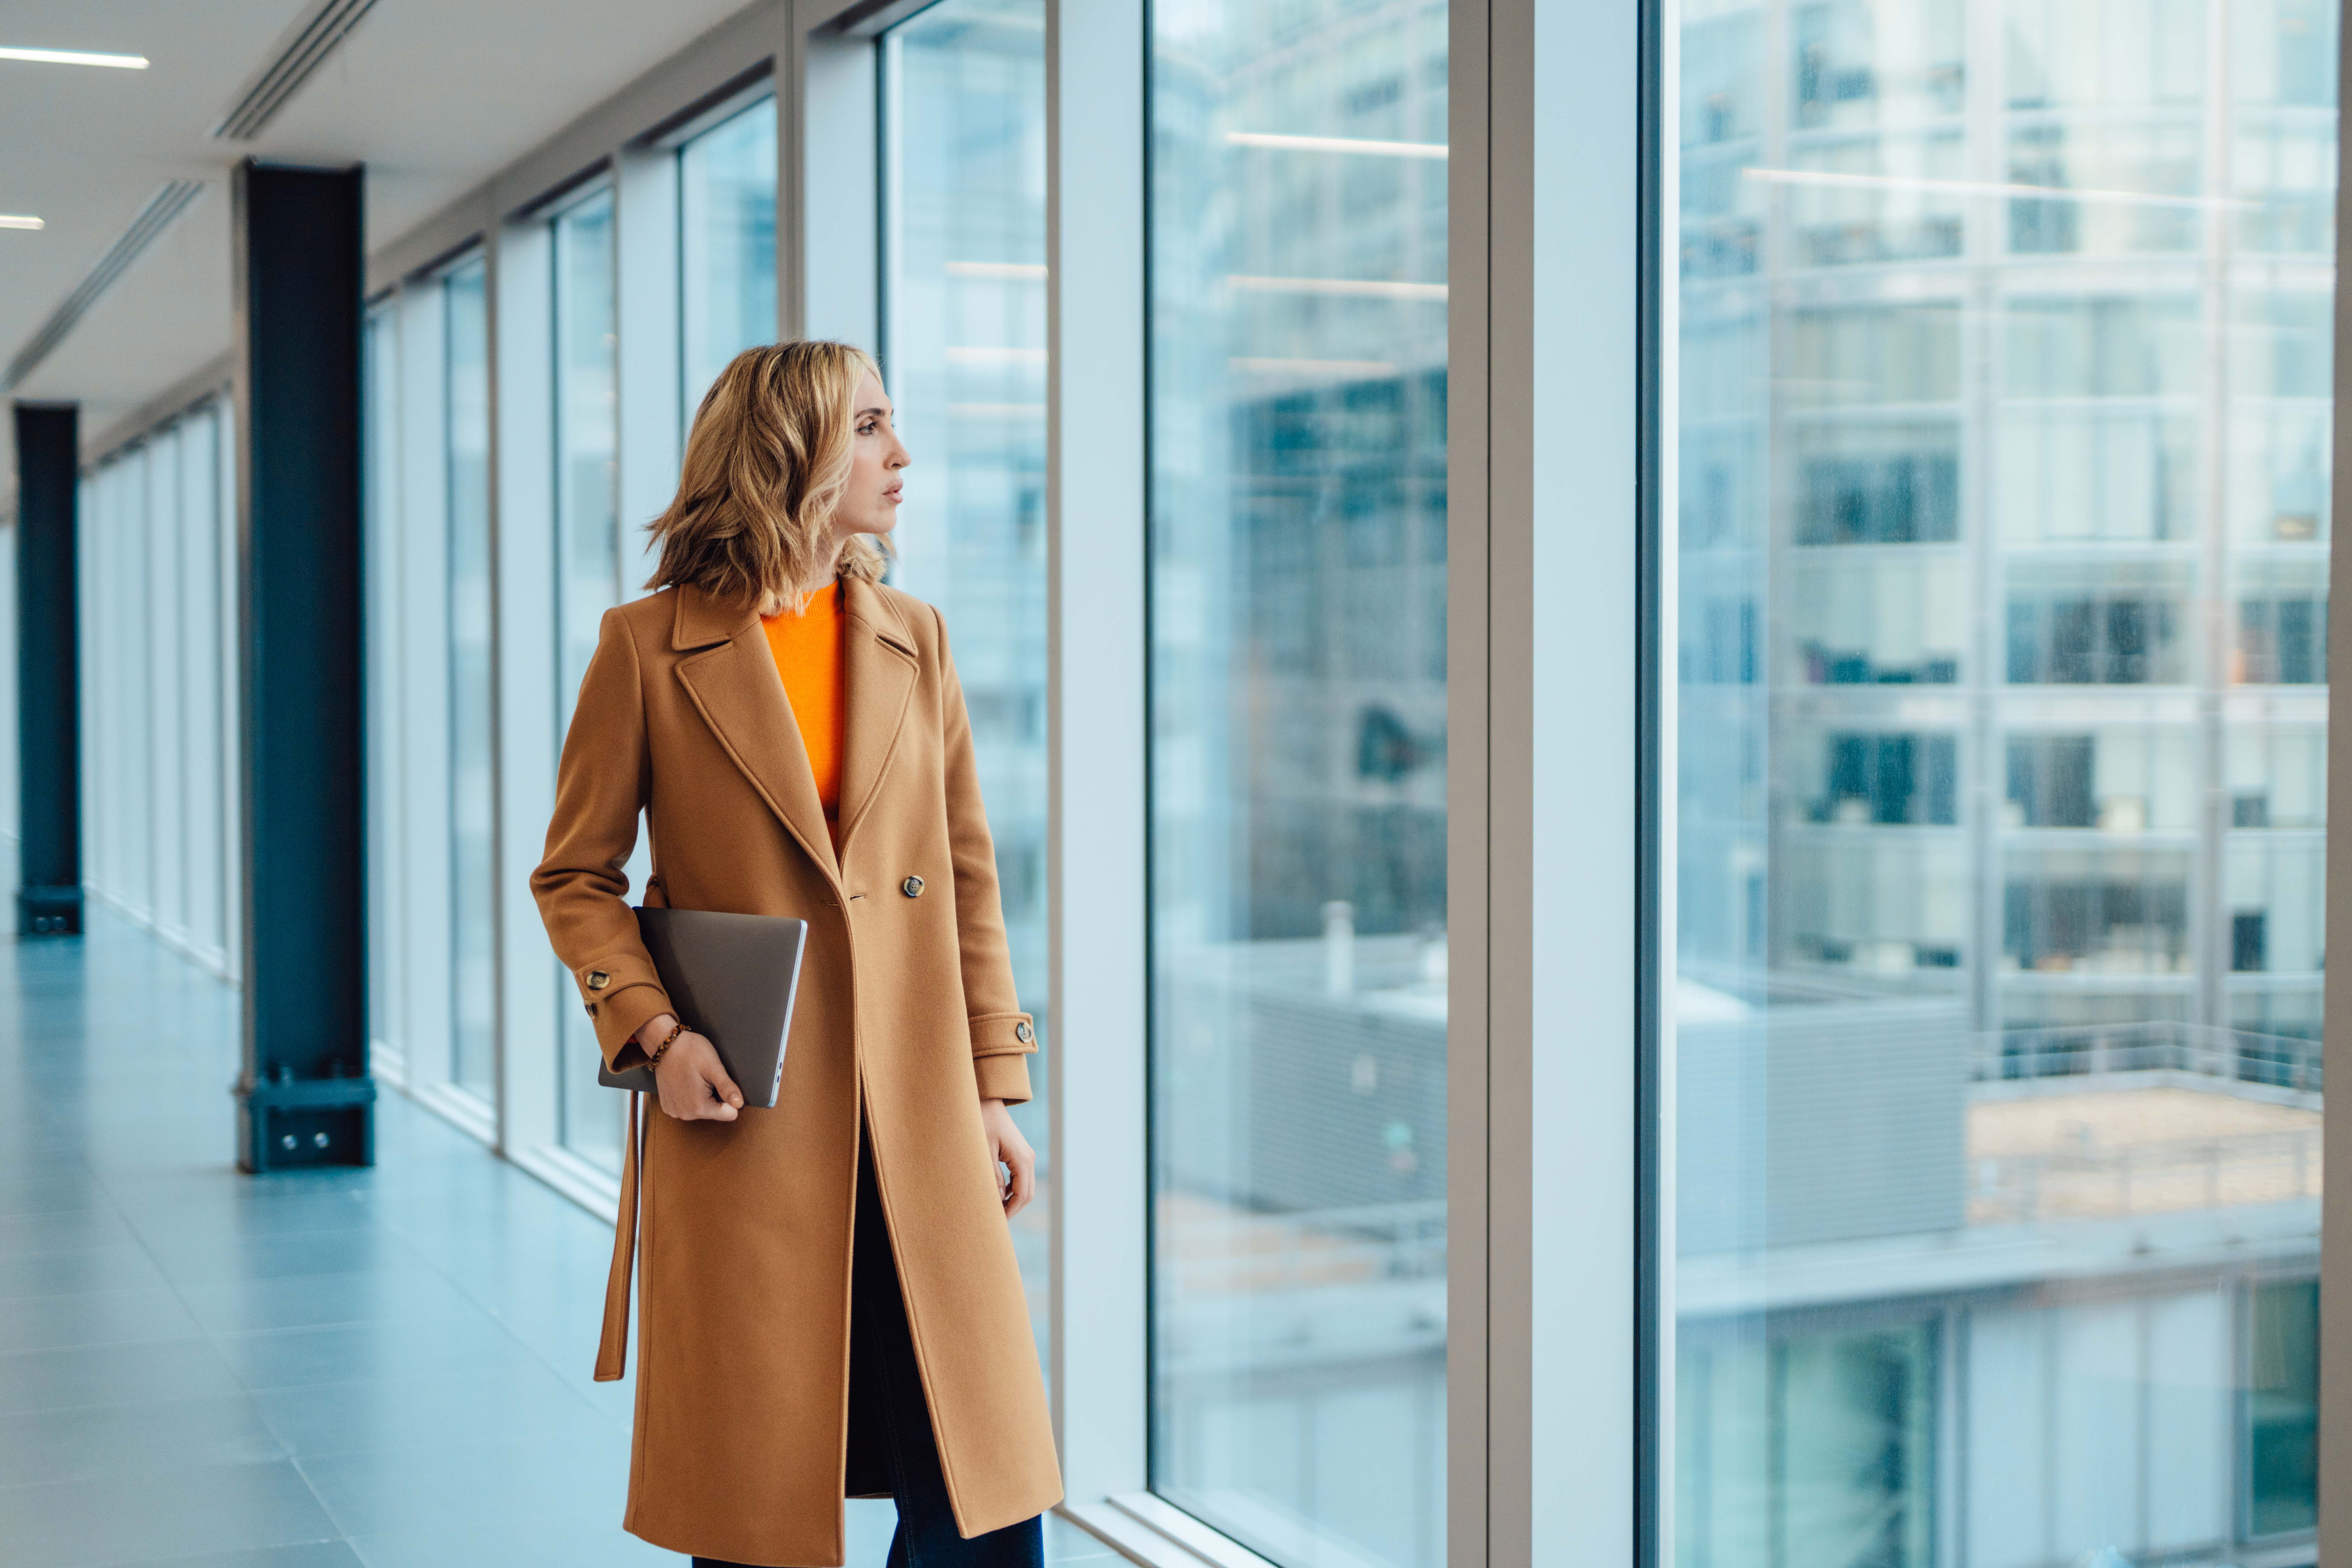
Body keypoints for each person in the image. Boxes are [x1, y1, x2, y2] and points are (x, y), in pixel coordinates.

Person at [532, 340, 1060, 1568]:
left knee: (979, 1491)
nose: (901, 455)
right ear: (794, 455)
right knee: (760, 1495)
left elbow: (966, 880)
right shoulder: (648, 646)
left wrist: (994, 1087)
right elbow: (574, 876)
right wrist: (654, 1036)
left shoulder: (913, 637)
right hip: (750, 1117)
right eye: (871, 427)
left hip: (919, 1108)